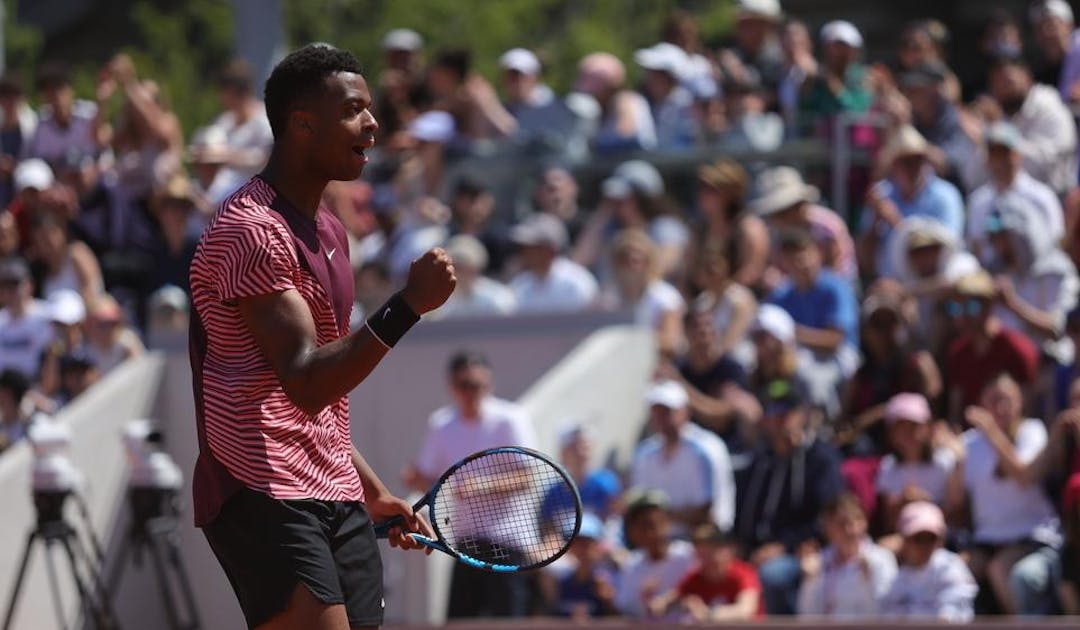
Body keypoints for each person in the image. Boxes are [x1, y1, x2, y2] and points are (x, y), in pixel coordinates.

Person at [188, 45, 456, 630]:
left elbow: (316, 404)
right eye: (354, 110)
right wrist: (408, 305)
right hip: (257, 483)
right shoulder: (250, 231)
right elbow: (306, 381)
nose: (373, 124)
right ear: (302, 125)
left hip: (331, 485)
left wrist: (371, 489)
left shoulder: (330, 228)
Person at [404, 350, 536, 619]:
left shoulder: (510, 418)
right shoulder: (441, 424)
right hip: (466, 546)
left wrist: (481, 486)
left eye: (479, 385)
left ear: (489, 385)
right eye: (465, 385)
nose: (472, 392)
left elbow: (528, 477)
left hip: (507, 546)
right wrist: (417, 479)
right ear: (452, 387)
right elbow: (430, 479)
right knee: (459, 622)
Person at [948, 373, 1062, 615]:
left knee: (1001, 570)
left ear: (1019, 402)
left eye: (1007, 399)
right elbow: (955, 504)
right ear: (982, 403)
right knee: (954, 573)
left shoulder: (1032, 431)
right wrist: (957, 462)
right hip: (986, 540)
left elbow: (1024, 476)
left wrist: (991, 432)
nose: (1000, 407)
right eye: (993, 400)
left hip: (1031, 536)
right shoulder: (968, 444)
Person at [734, 381, 844, 615]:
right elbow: (743, 513)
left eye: (787, 411)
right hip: (755, 549)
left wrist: (784, 546)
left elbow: (829, 516)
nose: (780, 419)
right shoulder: (759, 461)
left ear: (802, 414)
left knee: (773, 576)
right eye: (773, 413)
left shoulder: (820, 459)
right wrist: (736, 545)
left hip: (801, 552)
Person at [630, 380, 735, 536]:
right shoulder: (645, 453)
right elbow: (640, 505)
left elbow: (705, 514)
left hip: (705, 541)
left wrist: (659, 519)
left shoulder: (706, 449)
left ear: (686, 411)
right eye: (656, 411)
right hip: (660, 543)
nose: (661, 417)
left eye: (667, 410)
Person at [859, 125, 964, 279]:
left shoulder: (945, 195)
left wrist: (894, 220)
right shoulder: (882, 194)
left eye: (918, 160)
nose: (912, 167)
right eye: (905, 161)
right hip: (890, 284)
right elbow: (865, 260)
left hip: (933, 284)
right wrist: (875, 222)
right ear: (894, 165)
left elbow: (945, 251)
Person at [944, 271, 1039, 422]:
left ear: (989, 306)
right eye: (955, 307)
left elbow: (1028, 410)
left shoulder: (1018, 349)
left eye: (971, 307)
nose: (961, 316)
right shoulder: (958, 352)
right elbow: (956, 412)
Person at [965, 121, 1064, 257]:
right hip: (993, 275)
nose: (1000, 161)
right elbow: (977, 248)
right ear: (987, 159)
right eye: (995, 154)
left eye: (1005, 153)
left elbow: (1056, 243)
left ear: (1017, 155)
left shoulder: (1041, 196)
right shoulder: (979, 201)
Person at [874, 393, 957, 545]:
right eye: (901, 427)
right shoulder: (888, 466)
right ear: (892, 433)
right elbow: (889, 521)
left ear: (928, 427)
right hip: (906, 539)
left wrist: (926, 503)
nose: (908, 433)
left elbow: (956, 513)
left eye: (914, 426)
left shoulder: (945, 462)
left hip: (941, 537)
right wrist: (901, 502)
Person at [796, 493, 897, 618]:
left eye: (858, 521)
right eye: (843, 524)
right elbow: (808, 617)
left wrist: (869, 581)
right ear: (827, 528)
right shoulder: (819, 562)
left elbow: (889, 613)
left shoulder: (881, 559)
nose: (852, 530)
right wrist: (810, 583)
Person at [749, 166, 856, 283]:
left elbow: (834, 271)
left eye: (782, 211)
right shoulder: (772, 231)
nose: (776, 218)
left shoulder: (826, 225)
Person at [879, 501, 977, 622]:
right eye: (918, 539)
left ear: (940, 540)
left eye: (931, 538)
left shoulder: (951, 567)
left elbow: (952, 612)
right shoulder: (897, 578)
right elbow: (890, 615)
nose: (924, 545)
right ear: (905, 541)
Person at [648, 523, 763, 622]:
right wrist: (655, 601)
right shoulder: (696, 577)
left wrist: (708, 614)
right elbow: (666, 601)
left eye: (711, 551)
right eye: (701, 554)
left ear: (726, 550)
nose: (707, 560)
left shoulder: (744, 573)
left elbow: (745, 611)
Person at [613, 489, 697, 618]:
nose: (646, 530)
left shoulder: (690, 557)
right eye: (637, 523)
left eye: (650, 522)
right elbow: (627, 611)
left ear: (666, 521)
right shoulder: (630, 565)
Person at [508, 213, 597, 314]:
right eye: (524, 248)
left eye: (533, 248)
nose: (524, 252)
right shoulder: (519, 285)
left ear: (550, 250)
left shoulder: (576, 282)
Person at [433, 235, 515, 319]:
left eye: (461, 267)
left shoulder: (496, 298)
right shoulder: (439, 301)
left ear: (475, 268)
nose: (456, 272)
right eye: (452, 266)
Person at [0, 257, 53, 381]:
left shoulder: (46, 316)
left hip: (38, 388)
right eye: (4, 286)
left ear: (29, 285)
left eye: (14, 285)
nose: (9, 292)